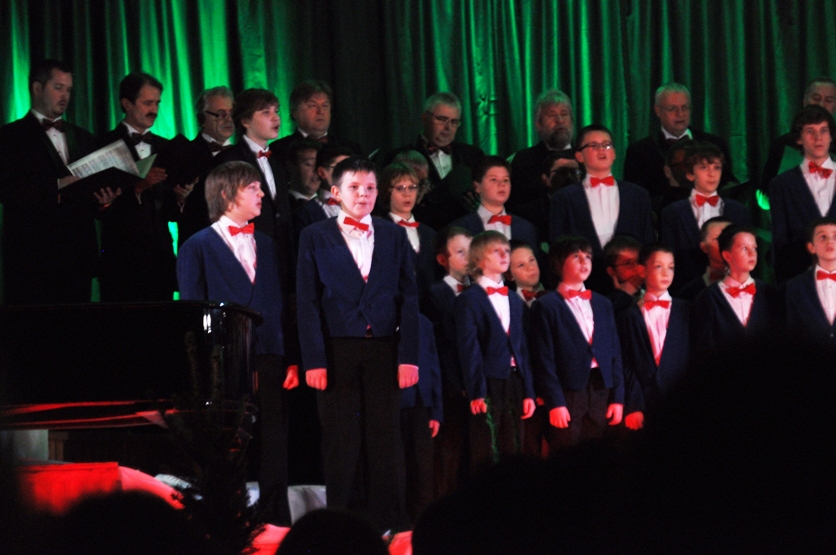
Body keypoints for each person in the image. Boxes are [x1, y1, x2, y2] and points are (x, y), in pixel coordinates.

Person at [296, 157, 419, 533]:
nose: (363, 194)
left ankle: (390, 523)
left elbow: (409, 298)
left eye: (370, 188)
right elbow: (307, 301)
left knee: (386, 439)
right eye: (354, 187)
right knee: (341, 439)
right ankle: (341, 524)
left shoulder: (393, 234)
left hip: (383, 348)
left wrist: (408, 356)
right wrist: (314, 359)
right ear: (336, 192)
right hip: (337, 350)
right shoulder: (315, 235)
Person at [176, 160, 298, 525]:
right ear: (227, 194)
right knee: (229, 438)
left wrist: (290, 356)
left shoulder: (268, 244)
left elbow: (280, 303)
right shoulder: (197, 246)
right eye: (253, 188)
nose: (262, 194)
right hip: (225, 358)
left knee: (275, 438)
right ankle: (227, 519)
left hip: (270, 354)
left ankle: (277, 519)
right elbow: (193, 311)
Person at [0, 59, 101, 305]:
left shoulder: (84, 137)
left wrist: (103, 201)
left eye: (69, 89)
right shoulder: (9, 137)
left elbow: (90, 196)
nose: (65, 96)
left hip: (77, 259)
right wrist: (56, 186)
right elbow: (7, 190)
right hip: (32, 259)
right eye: (58, 87)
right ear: (37, 88)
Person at [98, 71, 193, 302]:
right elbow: (98, 205)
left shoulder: (167, 147)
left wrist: (181, 198)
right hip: (122, 261)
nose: (154, 110)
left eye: (157, 103)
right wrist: (138, 187)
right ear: (127, 104)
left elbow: (169, 212)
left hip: (160, 260)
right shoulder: (104, 144)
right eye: (147, 103)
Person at [531, 235, 624, 449]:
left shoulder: (602, 303)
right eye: (576, 256)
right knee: (566, 450)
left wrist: (618, 398)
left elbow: (615, 353)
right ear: (558, 264)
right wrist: (555, 402)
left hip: (601, 387)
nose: (584, 261)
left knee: (597, 450)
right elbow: (544, 359)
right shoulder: (546, 306)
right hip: (568, 390)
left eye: (588, 256)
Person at [454, 231, 536, 466]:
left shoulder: (514, 299)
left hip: (514, 381)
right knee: (487, 449)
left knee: (515, 447)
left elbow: (523, 348)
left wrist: (529, 391)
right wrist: (476, 391)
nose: (504, 255)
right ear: (480, 259)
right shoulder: (468, 299)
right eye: (496, 251)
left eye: (507, 251)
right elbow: (469, 349)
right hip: (487, 382)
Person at [550, 124, 655, 294]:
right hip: (584, 286)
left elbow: (648, 242)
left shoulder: (638, 195)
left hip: (631, 285)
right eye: (593, 145)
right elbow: (559, 246)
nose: (601, 150)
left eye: (607, 145)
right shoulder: (564, 198)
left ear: (614, 153)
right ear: (579, 156)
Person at [214, 88, 294, 287]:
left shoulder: (278, 162)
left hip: (279, 262)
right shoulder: (229, 161)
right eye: (266, 112)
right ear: (245, 121)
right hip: (246, 261)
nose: (275, 118)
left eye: (276, 111)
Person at [623, 82, 736, 210]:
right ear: (658, 111)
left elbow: (728, 184)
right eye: (672, 109)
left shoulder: (715, 144)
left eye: (685, 108)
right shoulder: (639, 152)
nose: (680, 114)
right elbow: (635, 198)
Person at [384, 92, 485, 231]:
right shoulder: (397, 157)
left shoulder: (473, 155)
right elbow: (387, 206)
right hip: (421, 234)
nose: (448, 128)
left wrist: (481, 205)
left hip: (465, 234)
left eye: (454, 122)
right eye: (442, 119)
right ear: (425, 118)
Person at [617, 245, 690, 431]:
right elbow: (628, 364)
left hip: (682, 398)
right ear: (642, 270)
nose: (666, 273)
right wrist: (634, 405)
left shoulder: (687, 311)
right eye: (658, 266)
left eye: (671, 267)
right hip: (646, 402)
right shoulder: (629, 316)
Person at [660, 141, 750, 291]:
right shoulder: (673, 213)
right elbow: (669, 258)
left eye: (717, 167)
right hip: (686, 291)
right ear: (690, 174)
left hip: (733, 290)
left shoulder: (739, 211)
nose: (712, 174)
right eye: (703, 167)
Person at [424, 226, 473, 497]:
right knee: (450, 453)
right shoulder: (436, 293)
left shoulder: (481, 290)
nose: (468, 257)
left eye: (471, 250)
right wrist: (458, 383)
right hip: (452, 386)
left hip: (478, 384)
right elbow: (445, 344)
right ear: (443, 260)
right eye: (460, 252)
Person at [770, 104, 836, 283]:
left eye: (823, 130)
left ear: (831, 136)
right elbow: (780, 243)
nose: (818, 138)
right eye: (810, 131)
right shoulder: (781, 185)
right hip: (800, 281)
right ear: (799, 138)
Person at [692, 225, 780, 354]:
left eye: (754, 248)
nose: (752, 254)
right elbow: (703, 350)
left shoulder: (771, 294)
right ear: (727, 255)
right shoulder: (707, 299)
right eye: (744, 248)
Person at [508, 90, 579, 241]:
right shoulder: (522, 161)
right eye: (552, 115)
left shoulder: (585, 158)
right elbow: (513, 209)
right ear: (538, 124)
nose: (560, 120)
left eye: (564, 114)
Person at [451, 156, 542, 264]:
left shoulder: (526, 228)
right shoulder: (460, 229)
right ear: (477, 186)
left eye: (506, 180)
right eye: (493, 179)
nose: (502, 184)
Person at [178, 86, 236, 246]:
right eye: (221, 114)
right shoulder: (183, 153)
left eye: (231, 113)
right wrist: (181, 198)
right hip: (200, 243)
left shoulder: (244, 154)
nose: (228, 119)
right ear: (201, 119)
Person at [399, 314, 443, 524]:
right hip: (393, 405)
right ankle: (399, 524)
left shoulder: (424, 322)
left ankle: (423, 524)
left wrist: (436, 411)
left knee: (423, 469)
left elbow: (433, 366)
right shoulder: (383, 319)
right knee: (397, 469)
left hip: (422, 404)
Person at [377, 162, 439, 304]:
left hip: (429, 312)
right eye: (400, 188)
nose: (407, 194)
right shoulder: (378, 233)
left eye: (412, 187)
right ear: (386, 191)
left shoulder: (430, 234)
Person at [761, 77, 836, 190]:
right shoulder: (782, 145)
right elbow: (764, 192)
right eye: (816, 98)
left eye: (829, 100)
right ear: (805, 101)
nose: (821, 104)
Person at [270, 80, 362, 160]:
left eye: (325, 105)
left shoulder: (351, 149)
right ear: (295, 112)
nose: (321, 111)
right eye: (312, 105)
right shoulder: (278, 150)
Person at [784, 217, 836, 347]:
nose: (830, 241)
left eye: (835, 236)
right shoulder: (794, 287)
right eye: (823, 237)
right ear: (811, 247)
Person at [676, 216, 731, 301]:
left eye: (731, 238)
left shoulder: (752, 284)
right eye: (718, 239)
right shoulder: (689, 292)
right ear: (704, 247)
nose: (726, 244)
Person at [603, 235, 645, 317]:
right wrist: (625, 294)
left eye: (638, 261)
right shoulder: (604, 301)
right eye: (628, 263)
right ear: (612, 271)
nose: (636, 268)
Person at [285, 138, 322, 210]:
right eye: (309, 164)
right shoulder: (280, 203)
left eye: (319, 165)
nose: (316, 170)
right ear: (291, 167)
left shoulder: (331, 204)